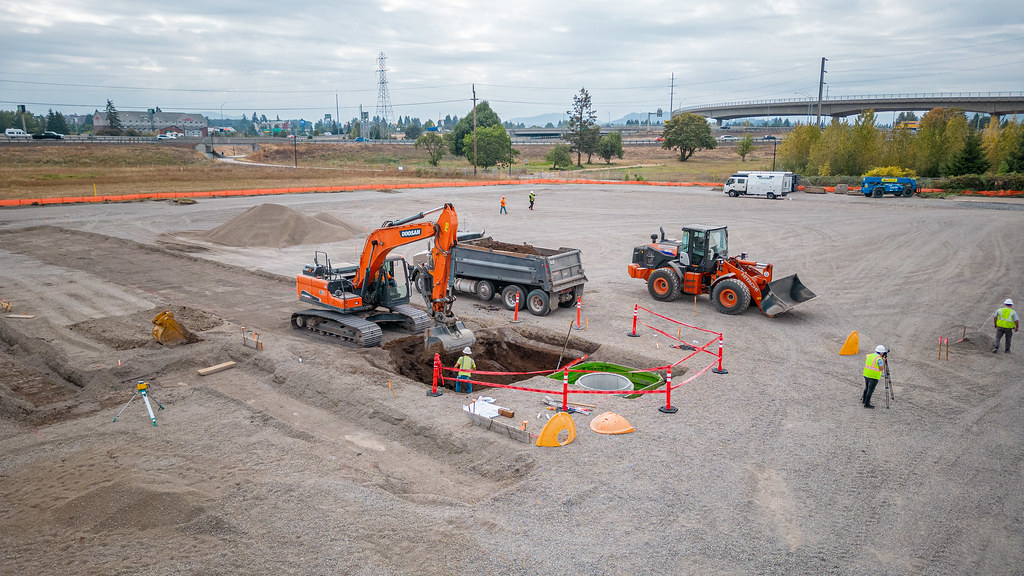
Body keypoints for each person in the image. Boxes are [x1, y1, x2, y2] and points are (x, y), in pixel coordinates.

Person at [862, 345, 887, 409]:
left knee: (867, 388)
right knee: (870, 390)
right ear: (882, 353)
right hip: (873, 376)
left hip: (866, 374)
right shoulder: (879, 359)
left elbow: (867, 357)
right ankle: (866, 404)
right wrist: (883, 360)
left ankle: (864, 400)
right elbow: (881, 369)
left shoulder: (869, 355)